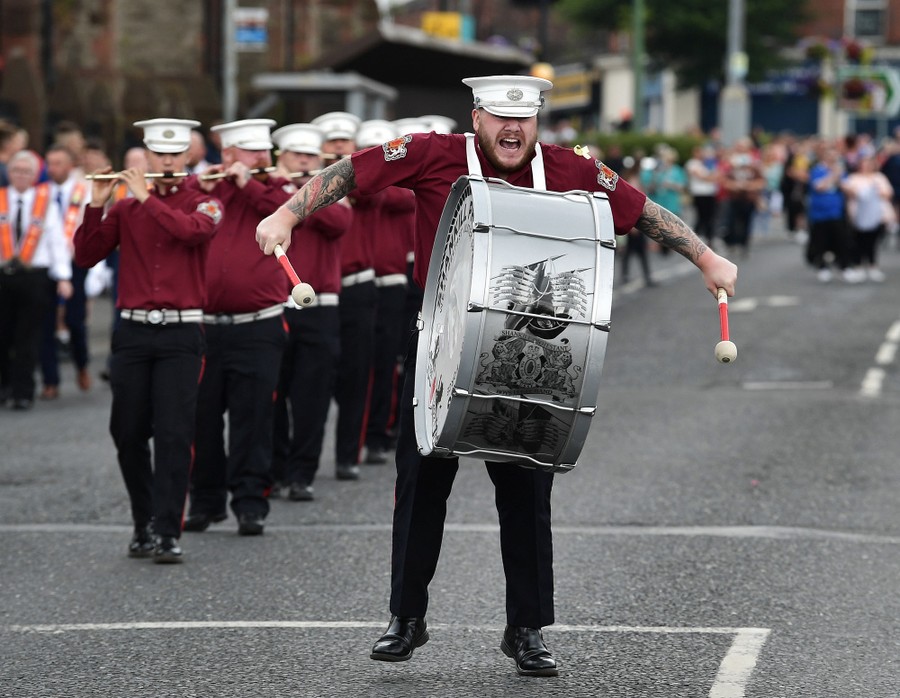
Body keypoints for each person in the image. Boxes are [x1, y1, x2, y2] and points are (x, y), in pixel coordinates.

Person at [256, 75, 737, 677]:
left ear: (537, 123)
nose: (513, 131)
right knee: (421, 476)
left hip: (529, 343)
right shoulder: (432, 154)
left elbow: (640, 211)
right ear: (477, 117)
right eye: (500, 119)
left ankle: (527, 628)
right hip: (438, 333)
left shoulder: (568, 168)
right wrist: (286, 213)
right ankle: (406, 617)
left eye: (525, 121)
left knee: (527, 487)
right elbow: (353, 172)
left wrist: (706, 257)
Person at [73, 118, 223, 563]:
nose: (168, 161)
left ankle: (167, 529)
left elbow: (191, 232)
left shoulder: (207, 203)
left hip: (181, 331)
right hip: (134, 331)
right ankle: (143, 523)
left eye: (176, 155)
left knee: (175, 434)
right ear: (148, 156)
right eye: (160, 154)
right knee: (128, 431)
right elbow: (85, 256)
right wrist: (97, 205)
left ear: (188, 157)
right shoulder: (125, 208)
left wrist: (144, 198)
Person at [184, 119, 292, 536]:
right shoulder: (203, 187)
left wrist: (250, 183)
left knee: (253, 416)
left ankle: (250, 501)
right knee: (203, 417)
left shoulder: (273, 190)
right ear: (227, 154)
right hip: (205, 325)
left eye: (265, 150)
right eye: (251, 151)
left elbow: (291, 208)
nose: (263, 157)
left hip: (258, 324)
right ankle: (206, 499)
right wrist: (202, 189)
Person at [269, 122, 351, 501]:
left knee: (311, 397)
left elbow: (339, 223)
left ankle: (302, 473)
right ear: (279, 158)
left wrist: (296, 196)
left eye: (310, 156)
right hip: (274, 305)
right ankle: (276, 468)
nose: (303, 161)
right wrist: (278, 189)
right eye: (296, 155)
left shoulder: (328, 191)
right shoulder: (266, 189)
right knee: (272, 393)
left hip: (319, 306)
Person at [311, 110, 376, 481]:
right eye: (330, 142)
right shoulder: (302, 182)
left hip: (354, 287)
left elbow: (371, 192)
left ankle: (348, 454)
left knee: (355, 375)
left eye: (344, 142)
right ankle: (300, 461)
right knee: (313, 380)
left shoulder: (363, 177)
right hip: (315, 293)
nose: (337, 147)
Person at [357, 120, 416, 466]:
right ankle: (369, 430)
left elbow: (397, 196)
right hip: (363, 282)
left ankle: (381, 430)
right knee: (363, 364)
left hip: (396, 279)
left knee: (390, 361)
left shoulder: (400, 189)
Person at [0, 150, 72, 410]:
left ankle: (23, 391)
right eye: (16, 170)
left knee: (27, 337)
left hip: (34, 277)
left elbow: (57, 243)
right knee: (2, 335)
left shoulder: (46, 202)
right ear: (9, 173)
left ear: (34, 176)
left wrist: (63, 276)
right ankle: (4, 385)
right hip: (3, 275)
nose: (21, 176)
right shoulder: (0, 199)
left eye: (26, 171)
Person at [39, 144, 91, 400]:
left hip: (75, 261)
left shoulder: (85, 191)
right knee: (45, 322)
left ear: (71, 165)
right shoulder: (42, 193)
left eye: (58, 163)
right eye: (49, 163)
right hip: (45, 263)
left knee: (74, 320)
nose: (53, 168)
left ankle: (81, 364)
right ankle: (51, 380)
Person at [842, 151, 894, 281]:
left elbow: (888, 193)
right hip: (858, 215)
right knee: (858, 241)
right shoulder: (854, 178)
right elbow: (849, 192)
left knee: (873, 241)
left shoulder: (879, 177)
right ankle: (858, 265)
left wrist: (875, 191)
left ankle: (872, 266)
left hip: (876, 215)